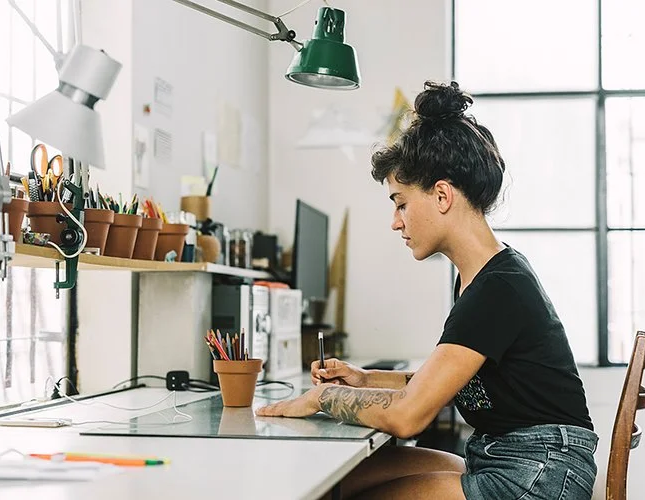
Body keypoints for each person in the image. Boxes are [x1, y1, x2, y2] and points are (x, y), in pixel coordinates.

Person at [256, 81, 598, 499]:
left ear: (441, 195)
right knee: (343, 484)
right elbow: (440, 383)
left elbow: (408, 417)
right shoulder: (480, 277)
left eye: (401, 203)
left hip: (540, 473)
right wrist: (364, 379)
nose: (395, 222)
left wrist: (324, 397)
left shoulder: (498, 288)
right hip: (505, 457)